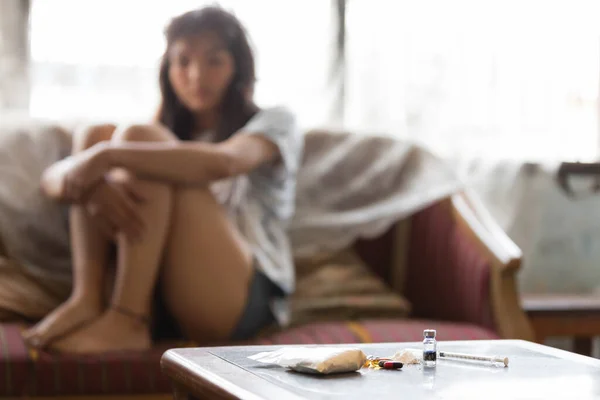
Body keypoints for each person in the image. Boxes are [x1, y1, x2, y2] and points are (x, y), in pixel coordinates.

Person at [22, 6, 302, 354]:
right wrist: (94, 186)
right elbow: (54, 180)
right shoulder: (162, 131)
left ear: (238, 68)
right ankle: (87, 298)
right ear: (167, 69)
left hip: (241, 295)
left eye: (214, 61)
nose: (197, 75)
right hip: (166, 291)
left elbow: (224, 162)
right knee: (96, 134)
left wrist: (109, 157)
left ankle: (128, 318)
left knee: (136, 142)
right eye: (183, 62)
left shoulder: (276, 122)